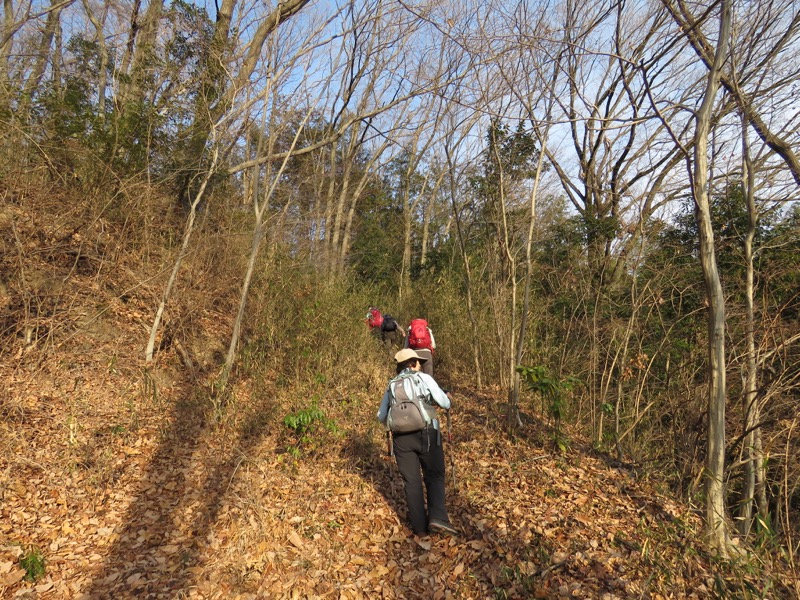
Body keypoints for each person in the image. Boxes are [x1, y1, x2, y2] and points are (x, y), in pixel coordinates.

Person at [377, 349, 458, 536]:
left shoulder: (391, 385)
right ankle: (438, 518)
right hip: (427, 433)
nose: (421, 365)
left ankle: (419, 528)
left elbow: (381, 415)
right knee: (434, 475)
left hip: (401, 440)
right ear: (412, 363)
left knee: (411, 482)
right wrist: (449, 400)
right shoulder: (423, 378)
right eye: (419, 362)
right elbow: (444, 403)